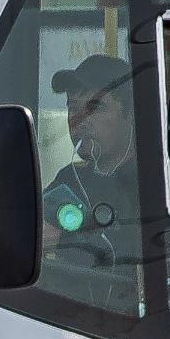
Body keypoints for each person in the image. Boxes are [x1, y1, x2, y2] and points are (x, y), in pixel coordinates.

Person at [42, 53, 140, 269]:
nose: (79, 121)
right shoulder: (69, 180)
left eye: (95, 108)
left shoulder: (152, 181)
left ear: (131, 114)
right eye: (73, 107)